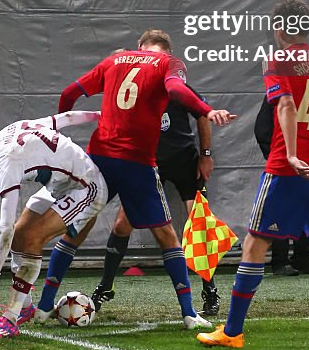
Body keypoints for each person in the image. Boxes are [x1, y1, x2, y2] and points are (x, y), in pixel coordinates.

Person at [198, 0, 309, 350]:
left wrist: (294, 154)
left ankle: (232, 331)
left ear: (280, 28)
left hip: (288, 170)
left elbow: (287, 104)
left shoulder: (277, 59)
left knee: (254, 244)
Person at [44, 29, 234, 330]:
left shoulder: (116, 61)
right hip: (138, 161)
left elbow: (69, 93)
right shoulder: (168, 65)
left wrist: (58, 135)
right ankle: (184, 311)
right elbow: (177, 91)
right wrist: (208, 111)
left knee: (79, 225)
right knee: (161, 233)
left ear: (140, 46)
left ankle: (42, 305)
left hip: (117, 156)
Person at [0, 109, 106, 340]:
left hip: (85, 187)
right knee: (19, 236)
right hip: (62, 184)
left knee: (32, 237)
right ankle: (25, 307)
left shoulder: (5, 164)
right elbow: (64, 119)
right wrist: (101, 114)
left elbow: (4, 225)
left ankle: (10, 319)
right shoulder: (6, 133)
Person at [89, 89, 221, 317]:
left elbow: (202, 114)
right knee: (122, 224)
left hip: (184, 162)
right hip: (149, 162)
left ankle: (210, 289)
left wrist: (206, 154)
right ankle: (106, 286)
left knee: (199, 223)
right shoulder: (136, 90)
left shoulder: (177, 88)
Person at [254, 95, 309, 276]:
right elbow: (262, 130)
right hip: (283, 161)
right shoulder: (279, 92)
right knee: (282, 210)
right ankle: (280, 262)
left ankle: (303, 259)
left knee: (307, 207)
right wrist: (279, 156)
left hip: (306, 157)